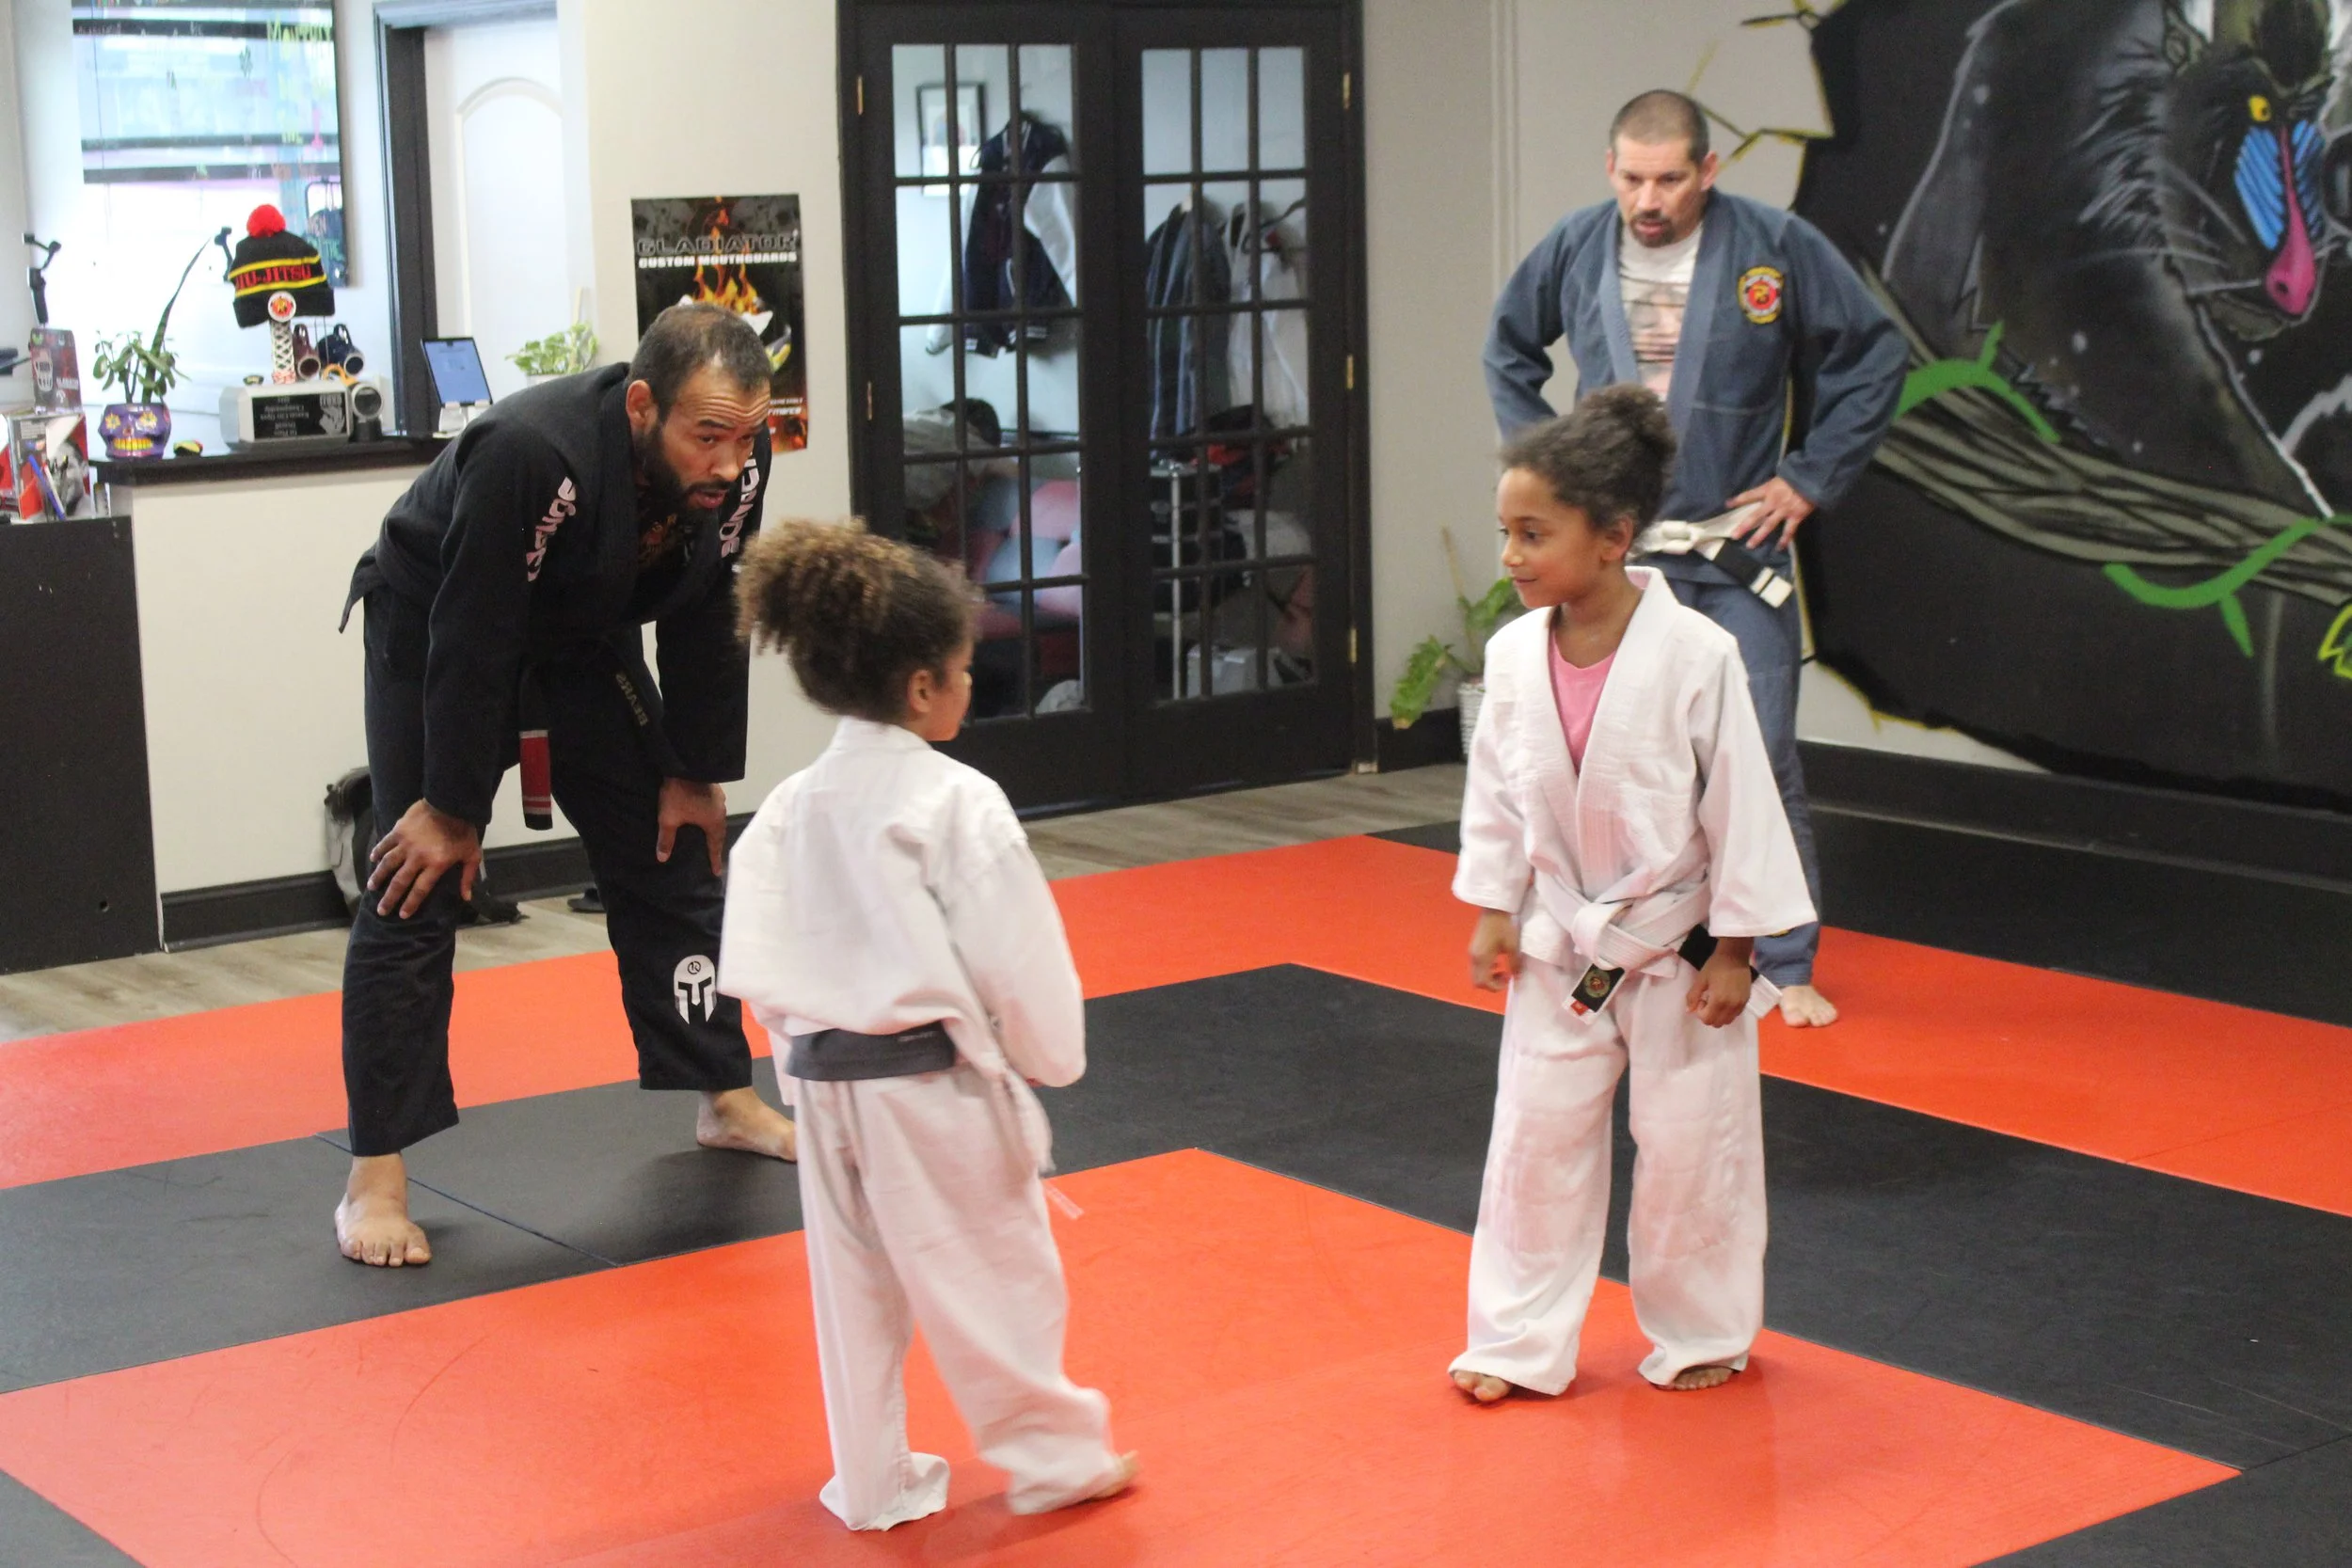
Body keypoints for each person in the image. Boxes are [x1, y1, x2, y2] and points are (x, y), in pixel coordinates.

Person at [333, 303, 797, 1268]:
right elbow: (476, 626)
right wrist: (452, 806)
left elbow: (712, 607)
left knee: (676, 844)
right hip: (435, 627)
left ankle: (724, 1092)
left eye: (745, 435)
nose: (728, 461)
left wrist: (695, 770)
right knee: (415, 876)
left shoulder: (740, 462)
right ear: (641, 405)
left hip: (581, 638)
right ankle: (373, 1175)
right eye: (707, 435)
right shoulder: (531, 451)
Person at [717, 519, 1136, 1530]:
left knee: (853, 1292)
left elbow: (759, 965)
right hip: (929, 1085)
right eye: (961, 669)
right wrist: (1047, 1057)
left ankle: (870, 1480)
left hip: (824, 1082)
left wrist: (797, 1068)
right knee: (996, 1276)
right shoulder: (955, 800)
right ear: (918, 687)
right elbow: (1017, 954)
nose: (968, 684)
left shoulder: (786, 807)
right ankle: (1056, 1458)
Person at [1484, 88, 1905, 1028]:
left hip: (1735, 549)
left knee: (1761, 753)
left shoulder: (1772, 245)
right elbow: (1507, 349)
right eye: (1634, 178)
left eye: (1670, 179)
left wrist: (1807, 477)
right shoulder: (1576, 245)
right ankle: (1626, 941)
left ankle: (1784, 961)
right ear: (1610, 169)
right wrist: (1551, 468)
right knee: (1610, 757)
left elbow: (1873, 356)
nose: (1650, 198)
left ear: (1707, 170)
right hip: (1619, 560)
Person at [1447, 387, 1815, 1404]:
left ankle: (1701, 1330)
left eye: (1534, 534)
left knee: (1693, 1149)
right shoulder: (1511, 655)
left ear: (1613, 537)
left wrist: (1739, 949)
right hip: (1561, 938)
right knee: (1532, 1143)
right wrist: (1493, 904)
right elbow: (1498, 790)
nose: (1510, 556)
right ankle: (1515, 1339)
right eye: (1505, 533)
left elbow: (1741, 801)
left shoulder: (1698, 653)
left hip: (1678, 950)